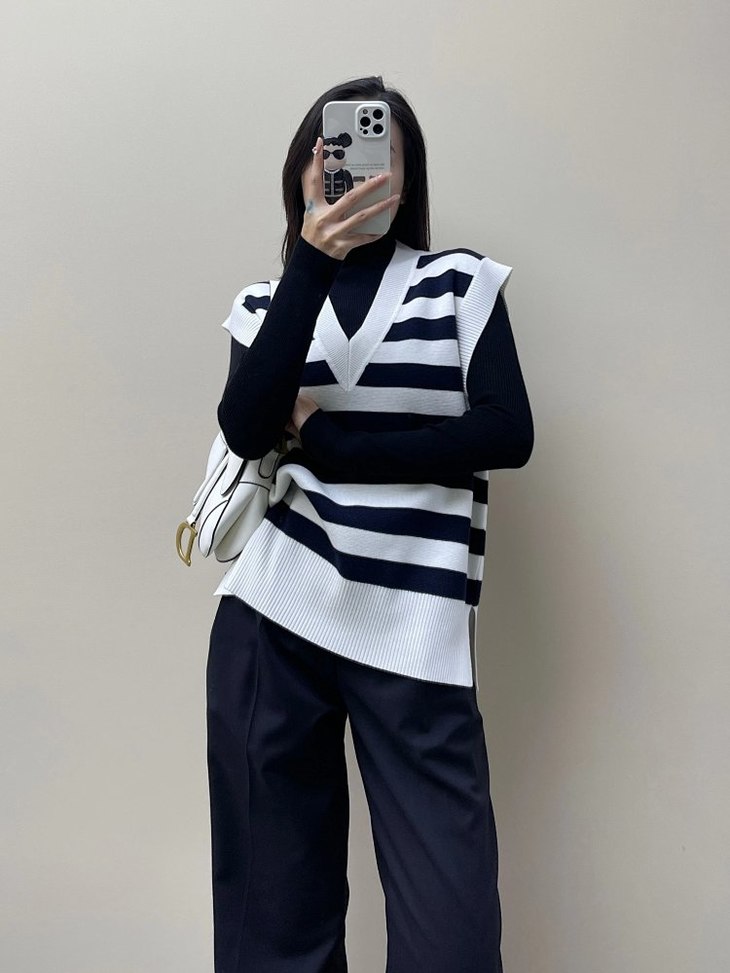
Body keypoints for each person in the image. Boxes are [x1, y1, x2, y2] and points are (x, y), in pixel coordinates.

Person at [206, 75, 533, 973]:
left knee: (450, 937)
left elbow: (507, 433)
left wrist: (333, 444)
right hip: (274, 618)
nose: (359, 168)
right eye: (337, 152)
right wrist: (312, 259)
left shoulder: (459, 284)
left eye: (381, 152)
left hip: (415, 627)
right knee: (273, 931)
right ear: (305, 170)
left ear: (407, 173)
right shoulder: (269, 302)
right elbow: (246, 427)